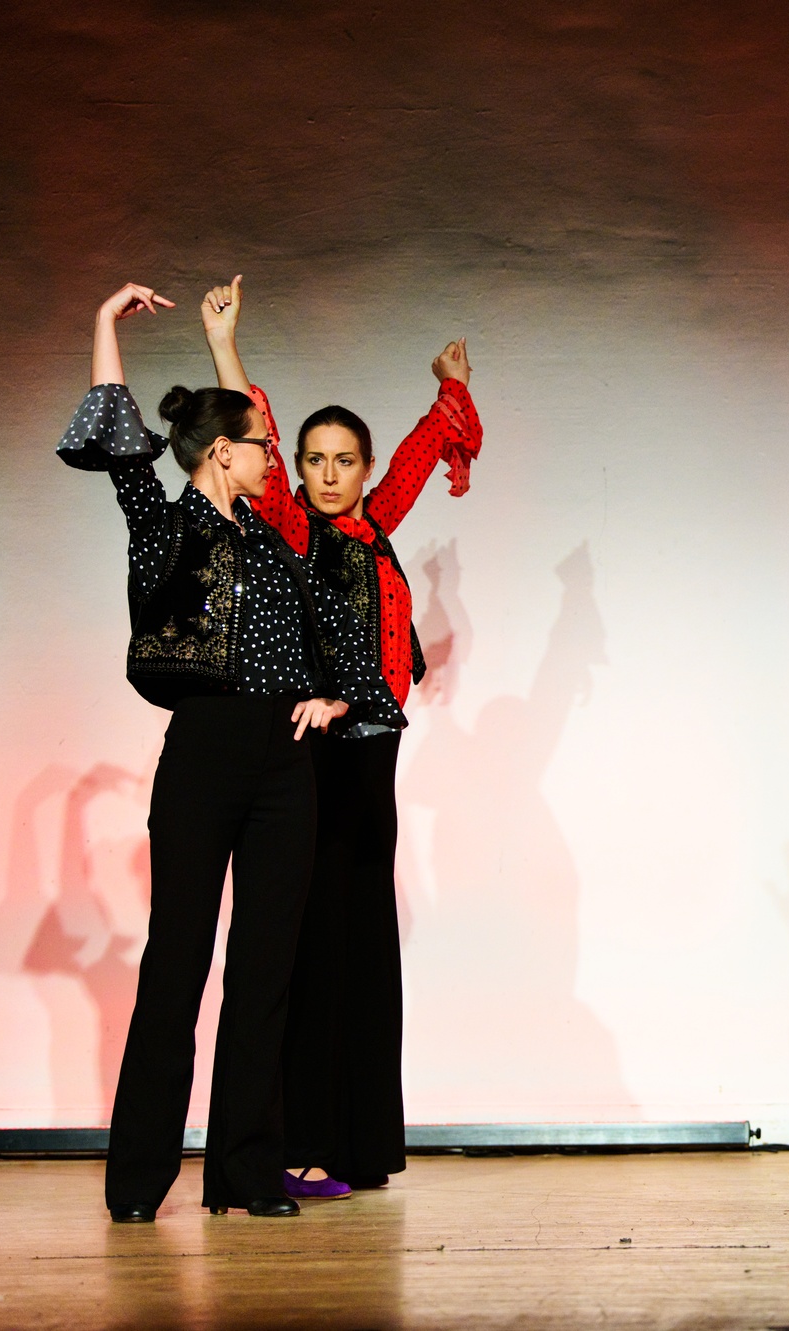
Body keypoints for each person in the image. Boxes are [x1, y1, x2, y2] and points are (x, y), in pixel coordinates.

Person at [59, 282, 402, 1222]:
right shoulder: (167, 523)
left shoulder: (279, 542)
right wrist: (103, 326)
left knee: (264, 973)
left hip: (284, 768)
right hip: (206, 754)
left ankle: (246, 1174)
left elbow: (344, 630)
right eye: (260, 444)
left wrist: (336, 695)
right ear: (223, 453)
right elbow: (121, 438)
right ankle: (138, 1180)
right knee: (177, 962)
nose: (272, 456)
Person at [196, 277, 483, 1197]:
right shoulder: (287, 527)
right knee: (309, 944)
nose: (328, 474)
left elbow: (419, 457)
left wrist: (448, 385)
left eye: (344, 460)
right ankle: (300, 1139)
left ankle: (358, 1144)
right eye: (315, 459)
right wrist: (225, 346)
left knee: (364, 946)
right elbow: (255, 435)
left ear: (363, 470)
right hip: (310, 758)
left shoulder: (375, 526)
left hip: (371, 760)